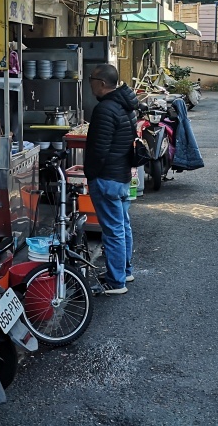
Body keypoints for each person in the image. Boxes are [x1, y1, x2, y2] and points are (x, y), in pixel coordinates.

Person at [84, 63, 138, 295]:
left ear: (102, 83)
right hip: (122, 175)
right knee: (122, 226)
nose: (90, 85)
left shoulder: (105, 109)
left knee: (113, 230)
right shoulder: (125, 105)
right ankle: (124, 271)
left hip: (107, 178)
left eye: (91, 81)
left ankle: (116, 282)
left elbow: (99, 149)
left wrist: (90, 175)